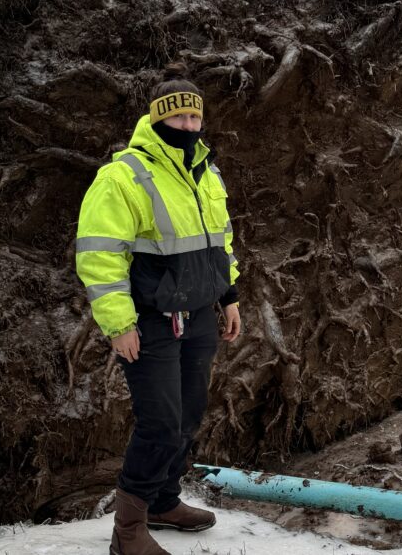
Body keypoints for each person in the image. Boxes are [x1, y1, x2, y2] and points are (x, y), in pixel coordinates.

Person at [75, 68, 241, 555]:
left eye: (196, 115)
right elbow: (99, 255)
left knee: (189, 415)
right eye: (180, 116)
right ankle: (128, 531)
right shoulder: (123, 175)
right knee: (161, 422)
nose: (190, 125)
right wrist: (119, 324)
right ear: (156, 119)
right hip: (151, 321)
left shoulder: (206, 171)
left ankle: (165, 501)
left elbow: (221, 241)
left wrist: (228, 297)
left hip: (200, 315)